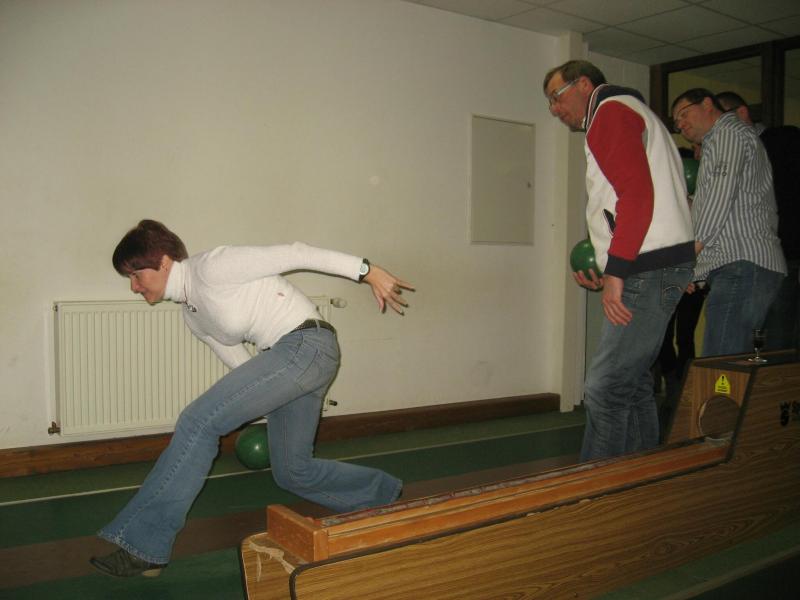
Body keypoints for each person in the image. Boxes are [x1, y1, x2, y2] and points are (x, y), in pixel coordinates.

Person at [90, 219, 413, 577]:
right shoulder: (193, 315)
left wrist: (366, 272)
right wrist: (257, 404)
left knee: (197, 422)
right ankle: (383, 494)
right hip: (292, 362)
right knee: (293, 472)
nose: (134, 286)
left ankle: (144, 548)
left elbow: (296, 254)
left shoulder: (212, 267)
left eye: (136, 275)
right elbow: (242, 368)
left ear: (164, 262)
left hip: (306, 345)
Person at [543, 60, 695, 462]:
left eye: (556, 97)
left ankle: (596, 486)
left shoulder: (609, 112)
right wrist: (608, 262)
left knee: (605, 387)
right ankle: (642, 478)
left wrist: (617, 271)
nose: (555, 109)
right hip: (653, 262)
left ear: (584, 84)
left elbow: (637, 196)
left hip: (646, 265)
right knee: (631, 383)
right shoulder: (633, 112)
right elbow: (630, 201)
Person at [671, 89, 787, 356]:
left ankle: (720, 387)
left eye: (684, 114)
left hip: (742, 264)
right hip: (744, 265)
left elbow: (718, 199)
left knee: (721, 361)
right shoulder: (722, 140)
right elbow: (711, 203)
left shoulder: (727, 133)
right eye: (676, 123)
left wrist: (688, 259)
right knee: (731, 360)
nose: (681, 125)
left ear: (707, 104)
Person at [716, 91, 800, 351]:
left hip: (782, 251)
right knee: (766, 334)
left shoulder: (779, 142)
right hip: (768, 253)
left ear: (742, 113)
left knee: (777, 335)